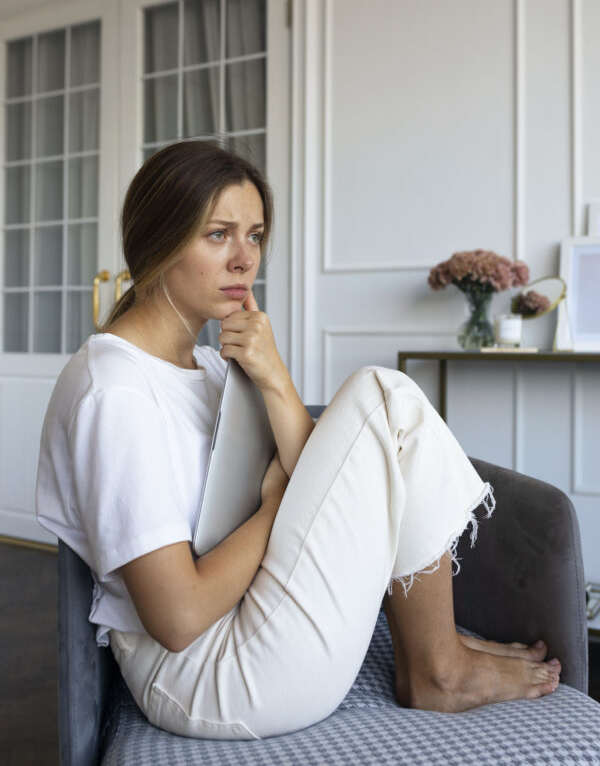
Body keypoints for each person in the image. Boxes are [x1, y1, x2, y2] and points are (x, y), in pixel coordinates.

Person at [36, 140, 561, 741]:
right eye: (218, 235)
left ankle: (434, 651)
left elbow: (323, 493)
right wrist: (275, 504)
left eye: (254, 236)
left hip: (249, 617)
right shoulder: (115, 390)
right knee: (382, 396)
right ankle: (439, 667)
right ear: (158, 239)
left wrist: (274, 377)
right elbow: (177, 619)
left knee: (385, 405)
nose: (244, 260)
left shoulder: (209, 367)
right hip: (205, 679)